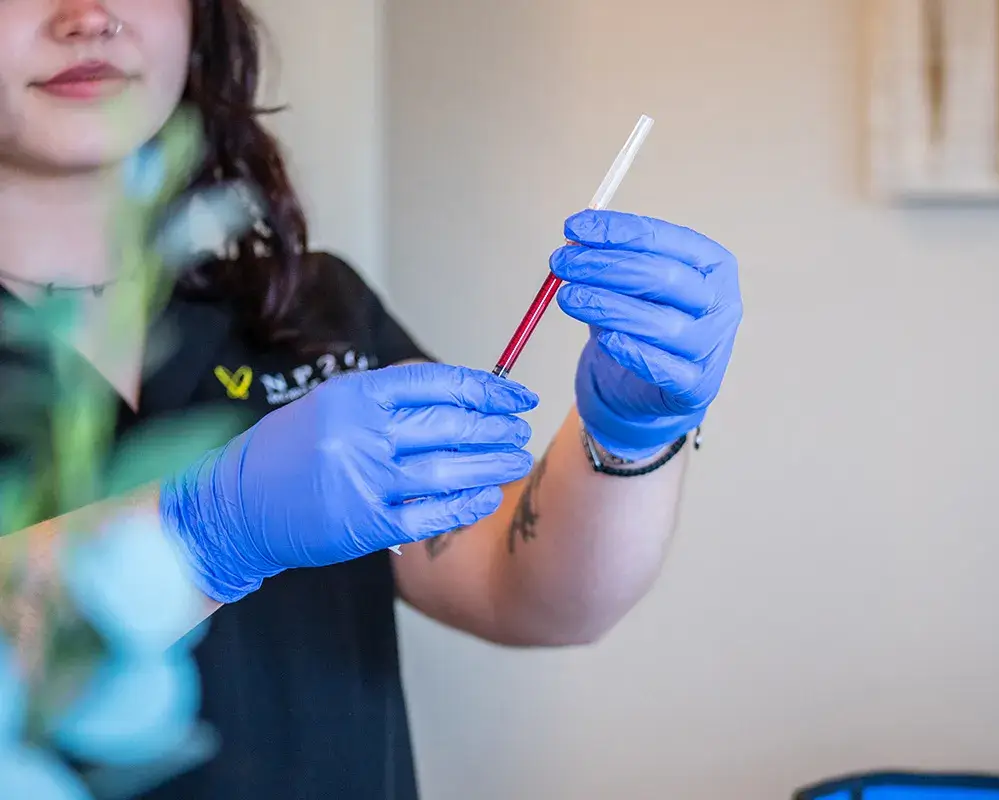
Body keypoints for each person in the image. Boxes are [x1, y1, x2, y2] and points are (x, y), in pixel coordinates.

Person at [0, 1, 742, 798]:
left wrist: (632, 433)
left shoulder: (306, 306)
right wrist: (207, 531)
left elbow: (519, 588)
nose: (87, 15)